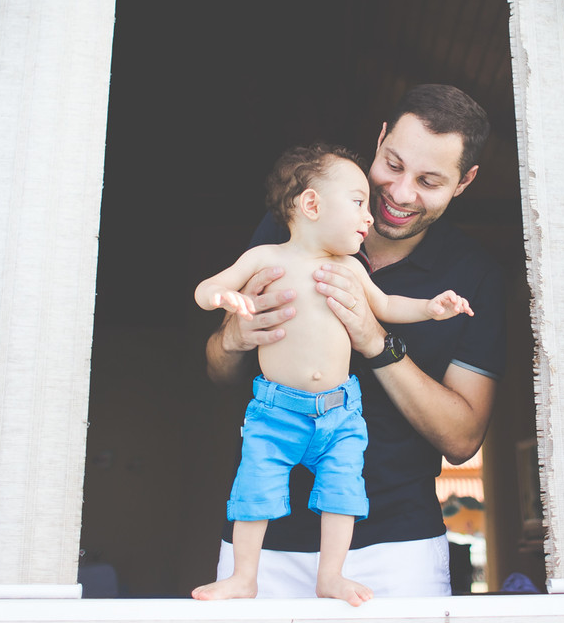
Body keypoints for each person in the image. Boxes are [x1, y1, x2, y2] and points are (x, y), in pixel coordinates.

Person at [204, 83, 506, 598]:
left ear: (464, 182)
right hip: (264, 544)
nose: (401, 192)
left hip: (398, 549)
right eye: (393, 164)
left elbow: (462, 440)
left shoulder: (474, 275)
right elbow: (216, 369)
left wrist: (375, 339)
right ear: (381, 137)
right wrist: (233, 336)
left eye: (430, 180)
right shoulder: (288, 229)